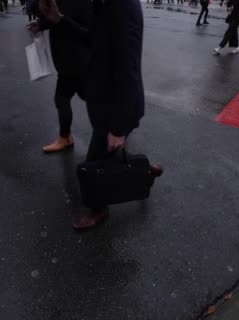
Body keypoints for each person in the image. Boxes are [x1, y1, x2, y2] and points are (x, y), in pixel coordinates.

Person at [39, 0, 162, 230]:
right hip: (105, 99)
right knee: (109, 154)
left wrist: (117, 127)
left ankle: (98, 209)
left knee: (95, 164)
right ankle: (143, 172)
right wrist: (60, 21)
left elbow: (128, 66)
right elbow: (93, 39)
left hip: (116, 105)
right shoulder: (105, 4)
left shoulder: (122, 7)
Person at [28, 0, 93, 153]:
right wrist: (41, 25)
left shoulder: (85, 3)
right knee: (63, 100)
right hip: (65, 64)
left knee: (92, 100)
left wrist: (61, 19)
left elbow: (89, 34)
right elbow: (55, 20)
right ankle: (65, 138)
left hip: (80, 63)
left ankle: (115, 131)